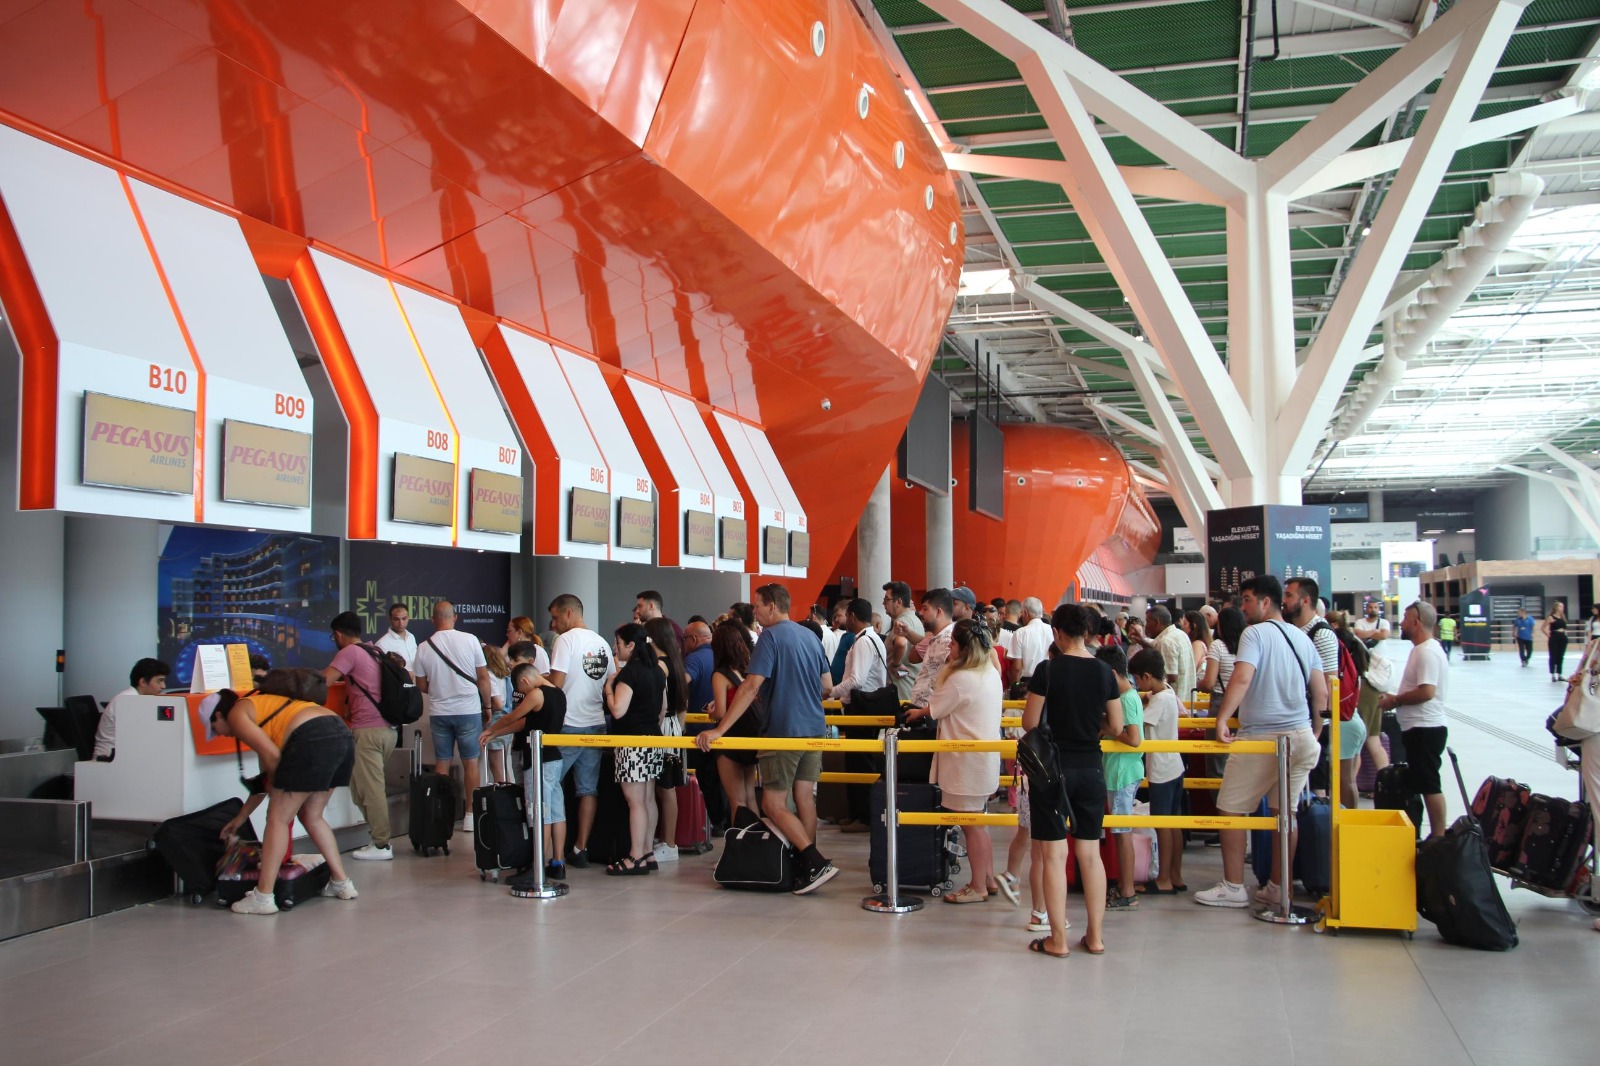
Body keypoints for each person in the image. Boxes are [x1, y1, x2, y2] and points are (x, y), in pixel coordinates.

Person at [696, 583, 839, 893]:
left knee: (773, 803)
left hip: (783, 731)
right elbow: (827, 685)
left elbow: (750, 686)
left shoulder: (770, 637)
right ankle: (806, 865)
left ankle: (813, 861)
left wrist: (719, 729)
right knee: (804, 797)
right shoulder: (809, 635)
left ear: (772, 606)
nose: (755, 611)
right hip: (814, 727)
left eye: (757, 605)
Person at [1195, 576, 1325, 910]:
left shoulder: (1254, 634)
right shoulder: (1302, 638)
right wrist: (1315, 731)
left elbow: (1242, 677)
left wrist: (1223, 718)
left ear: (1266, 602)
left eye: (1248, 599)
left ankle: (1233, 886)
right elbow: (1321, 692)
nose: (1243, 606)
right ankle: (1278, 888)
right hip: (1300, 737)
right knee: (1285, 815)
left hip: (1263, 737)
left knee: (1231, 807)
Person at [211, 669, 357, 914]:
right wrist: (241, 818)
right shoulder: (272, 707)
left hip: (311, 736)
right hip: (339, 733)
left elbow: (272, 760)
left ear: (217, 715)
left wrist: (278, 796)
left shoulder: (238, 713)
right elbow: (266, 779)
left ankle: (263, 897)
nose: (218, 734)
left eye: (214, 728)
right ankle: (342, 883)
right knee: (312, 816)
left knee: (277, 819)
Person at [1022, 603, 1122, 957]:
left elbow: (1030, 722)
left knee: (1053, 854)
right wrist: (1092, 725)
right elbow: (1117, 726)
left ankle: (1057, 940)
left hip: (1052, 771)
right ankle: (1095, 937)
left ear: (1058, 633)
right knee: (1090, 853)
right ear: (1087, 632)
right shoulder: (1104, 671)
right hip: (1092, 768)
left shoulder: (1047, 670)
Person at [904, 618, 1002, 903]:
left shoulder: (961, 678)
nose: (950, 649)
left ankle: (977, 886)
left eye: (954, 644)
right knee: (978, 822)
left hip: (965, 764)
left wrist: (920, 711)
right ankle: (988, 878)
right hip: (983, 760)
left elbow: (935, 706)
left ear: (964, 648)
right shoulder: (990, 673)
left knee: (972, 825)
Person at [479, 662, 568, 882]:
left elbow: (512, 717)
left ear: (525, 681)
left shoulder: (537, 694)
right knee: (556, 812)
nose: (523, 693)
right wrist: (496, 735)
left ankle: (537, 867)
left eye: (521, 688)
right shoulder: (559, 693)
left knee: (540, 813)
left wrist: (491, 729)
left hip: (539, 761)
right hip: (554, 759)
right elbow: (524, 723)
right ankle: (557, 862)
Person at [412, 601, 493, 834]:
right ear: (455, 617)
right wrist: (487, 706)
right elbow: (483, 678)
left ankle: (440, 815)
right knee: (470, 762)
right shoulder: (471, 640)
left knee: (442, 762)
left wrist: (440, 689)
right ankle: (470, 815)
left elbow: (421, 685)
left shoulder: (423, 647)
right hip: (469, 710)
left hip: (439, 712)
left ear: (432, 620)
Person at [322, 611, 396, 861]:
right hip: (386, 730)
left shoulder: (350, 652)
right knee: (362, 789)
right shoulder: (374, 650)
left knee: (370, 790)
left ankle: (382, 845)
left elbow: (323, 681)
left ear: (338, 634)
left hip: (368, 731)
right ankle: (378, 839)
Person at [547, 593, 611, 868]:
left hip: (568, 724)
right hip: (596, 723)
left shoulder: (565, 641)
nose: (553, 624)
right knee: (588, 789)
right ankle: (580, 848)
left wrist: (535, 681)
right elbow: (611, 681)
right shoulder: (602, 642)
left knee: (550, 785)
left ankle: (552, 853)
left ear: (569, 613)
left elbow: (556, 684)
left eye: (555, 617)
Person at [1380, 601, 1450, 838]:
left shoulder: (1426, 652)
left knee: (1429, 784)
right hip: (1419, 728)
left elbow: (1427, 692)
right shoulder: (1424, 649)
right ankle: (1432, 834)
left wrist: (1396, 700)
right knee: (1423, 781)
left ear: (1416, 622)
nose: (1401, 624)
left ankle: (1439, 836)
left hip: (1425, 728)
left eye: (1405, 619)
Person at [601, 623, 665, 875]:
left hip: (632, 742)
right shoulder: (657, 670)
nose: (615, 648)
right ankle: (647, 852)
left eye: (617, 643)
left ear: (630, 645)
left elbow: (618, 710)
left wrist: (608, 689)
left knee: (635, 801)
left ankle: (635, 856)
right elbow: (662, 710)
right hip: (653, 739)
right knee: (648, 798)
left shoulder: (629, 674)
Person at [826, 597, 887, 833]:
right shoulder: (872, 638)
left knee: (860, 763)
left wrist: (831, 692)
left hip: (862, 707)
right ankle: (859, 813)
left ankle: (864, 816)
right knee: (859, 761)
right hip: (866, 706)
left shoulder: (863, 642)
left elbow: (856, 680)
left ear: (852, 616)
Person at [1131, 648, 1185, 894]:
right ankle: (1175, 875)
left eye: (1138, 680)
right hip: (1174, 765)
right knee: (1174, 823)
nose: (1138, 685)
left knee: (1162, 824)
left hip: (1161, 769)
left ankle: (1163, 879)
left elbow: (1136, 724)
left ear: (1146, 676)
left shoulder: (1159, 701)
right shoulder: (1168, 693)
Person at [1095, 645, 1144, 911]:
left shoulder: (1127, 699)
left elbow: (1134, 739)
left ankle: (1127, 890)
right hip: (1116, 772)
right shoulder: (1125, 697)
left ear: (1112, 674)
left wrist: (1108, 727)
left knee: (1123, 833)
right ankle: (1125, 887)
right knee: (1119, 832)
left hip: (1123, 774)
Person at [643, 616, 687, 861]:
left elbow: (658, 703)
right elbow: (683, 705)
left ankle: (669, 843)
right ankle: (668, 841)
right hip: (673, 728)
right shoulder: (675, 662)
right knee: (666, 788)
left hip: (662, 728)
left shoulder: (660, 666)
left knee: (664, 788)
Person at [706, 619, 759, 816]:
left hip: (729, 739)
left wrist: (710, 713)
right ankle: (756, 833)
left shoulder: (720, 674)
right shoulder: (745, 671)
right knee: (750, 796)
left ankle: (741, 834)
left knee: (736, 800)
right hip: (750, 736)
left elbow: (720, 712)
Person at [1329, 610, 1388, 779]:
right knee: (1373, 740)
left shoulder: (1338, 641)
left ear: (1334, 625)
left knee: (1356, 747)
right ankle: (1385, 782)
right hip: (1371, 688)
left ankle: (1351, 781)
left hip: (1362, 692)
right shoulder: (1353, 639)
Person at [91, 657, 170, 761]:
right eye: (159, 681)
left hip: (123, 755)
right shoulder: (128, 700)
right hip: (109, 758)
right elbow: (138, 737)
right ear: (143, 682)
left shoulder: (136, 699)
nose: (163, 686)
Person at [908, 588, 956, 710]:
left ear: (938, 612)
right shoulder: (937, 637)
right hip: (925, 711)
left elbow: (956, 676)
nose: (920, 613)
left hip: (931, 713)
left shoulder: (949, 639)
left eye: (925, 608)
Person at [1145, 605, 1196, 711]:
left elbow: (1171, 677)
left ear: (1157, 622)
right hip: (1188, 701)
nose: (1146, 626)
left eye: (1148, 621)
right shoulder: (1181, 634)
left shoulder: (1166, 641)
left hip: (1174, 705)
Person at [881, 581, 923, 699]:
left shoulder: (903, 621)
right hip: (909, 688)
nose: (883, 603)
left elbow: (901, 642)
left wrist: (896, 664)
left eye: (887, 600)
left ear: (898, 602)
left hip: (901, 690)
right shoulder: (914, 618)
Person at [1005, 596, 1053, 691]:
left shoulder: (1020, 633)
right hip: (1049, 680)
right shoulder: (1051, 630)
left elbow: (1017, 668)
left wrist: (1015, 687)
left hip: (1027, 683)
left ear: (1025, 613)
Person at [482, 643, 514, 785]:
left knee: (497, 766)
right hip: (507, 718)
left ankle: (501, 792)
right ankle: (506, 790)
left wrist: (486, 709)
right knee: (504, 764)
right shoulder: (503, 675)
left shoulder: (488, 675)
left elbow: (498, 704)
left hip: (496, 719)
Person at [375, 603, 418, 671]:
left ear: (408, 618)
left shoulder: (411, 637)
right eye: (396, 619)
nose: (401, 623)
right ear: (390, 619)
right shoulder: (382, 644)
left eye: (404, 618)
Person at [827, 602, 855, 685]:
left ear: (849, 616)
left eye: (839, 616)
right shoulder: (845, 636)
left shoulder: (853, 637)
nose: (836, 620)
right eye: (835, 617)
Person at [1182, 611, 1211, 691]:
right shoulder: (1201, 643)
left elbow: (1191, 668)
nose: (1182, 626)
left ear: (1194, 626)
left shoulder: (1197, 644)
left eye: (1185, 623)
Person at [1544, 601, 1570, 682]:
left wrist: (1566, 634)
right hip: (1554, 636)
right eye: (1560, 606)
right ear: (1556, 607)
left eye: (1562, 606)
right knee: (1553, 655)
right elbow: (1543, 627)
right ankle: (1553, 674)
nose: (1562, 608)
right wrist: (1548, 635)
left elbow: (1565, 628)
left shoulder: (1563, 617)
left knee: (1561, 656)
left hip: (1562, 637)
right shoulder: (1551, 617)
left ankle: (1559, 674)